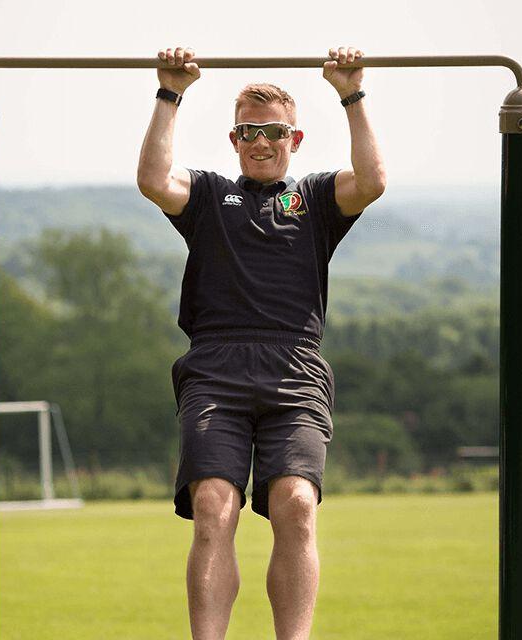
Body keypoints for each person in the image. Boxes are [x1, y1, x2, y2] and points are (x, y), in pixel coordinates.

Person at [137, 45, 386, 640]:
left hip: (294, 369)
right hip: (216, 368)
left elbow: (373, 181)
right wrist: (170, 92)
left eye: (274, 132)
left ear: (294, 140)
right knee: (214, 507)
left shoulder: (318, 199)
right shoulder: (208, 196)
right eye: (250, 130)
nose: (262, 142)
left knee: (296, 505)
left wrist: (351, 94)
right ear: (234, 137)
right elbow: (152, 180)